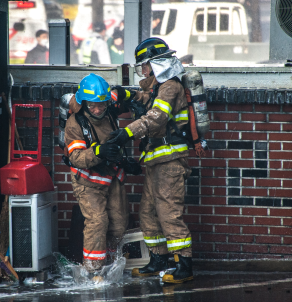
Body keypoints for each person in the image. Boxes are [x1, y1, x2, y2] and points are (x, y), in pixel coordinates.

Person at [109, 37, 206, 284]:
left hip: (171, 162)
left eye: (144, 65)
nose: (142, 70)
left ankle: (183, 266)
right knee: (148, 214)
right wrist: (125, 94)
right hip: (155, 162)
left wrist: (126, 132)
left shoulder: (170, 87)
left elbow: (156, 118)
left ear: (156, 64)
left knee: (169, 214)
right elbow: (145, 99)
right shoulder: (157, 88)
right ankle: (158, 260)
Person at [63, 73, 129, 282]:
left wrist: (125, 161)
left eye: (102, 105)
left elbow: (124, 97)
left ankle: (108, 262)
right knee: (98, 221)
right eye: (93, 106)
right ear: (84, 103)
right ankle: (92, 271)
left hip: (111, 177)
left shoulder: (109, 110)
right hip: (88, 181)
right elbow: (76, 157)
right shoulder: (75, 124)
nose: (98, 110)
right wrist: (99, 151)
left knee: (119, 223)